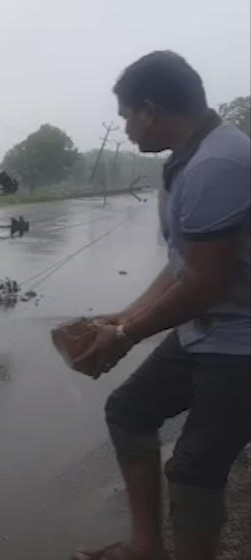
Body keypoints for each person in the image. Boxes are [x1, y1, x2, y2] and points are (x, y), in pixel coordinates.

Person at [72, 51, 250, 560]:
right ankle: (145, 549)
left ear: (150, 109)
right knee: (129, 411)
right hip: (210, 328)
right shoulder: (188, 158)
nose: (126, 128)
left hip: (240, 343)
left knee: (194, 469)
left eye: (127, 115)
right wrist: (123, 316)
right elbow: (182, 264)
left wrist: (127, 336)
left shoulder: (219, 163)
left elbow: (205, 285)